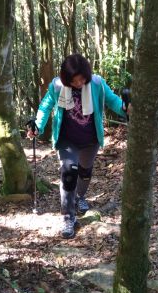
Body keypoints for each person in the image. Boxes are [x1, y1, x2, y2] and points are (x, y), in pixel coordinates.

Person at [27, 54, 128, 239]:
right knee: (68, 173)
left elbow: (113, 101)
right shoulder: (57, 86)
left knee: (85, 172)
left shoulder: (97, 84)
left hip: (91, 139)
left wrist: (127, 108)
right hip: (67, 139)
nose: (79, 83)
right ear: (66, 79)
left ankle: (80, 197)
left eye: (81, 79)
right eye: (74, 81)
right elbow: (45, 106)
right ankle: (68, 217)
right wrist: (37, 126)